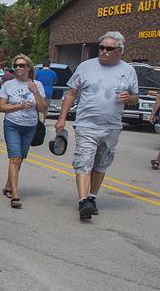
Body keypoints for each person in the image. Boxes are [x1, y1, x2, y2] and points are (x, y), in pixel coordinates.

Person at [55, 31, 138, 220]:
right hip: (86, 124)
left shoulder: (128, 70)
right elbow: (71, 94)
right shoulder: (85, 67)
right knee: (84, 161)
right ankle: (83, 201)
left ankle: (92, 197)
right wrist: (62, 118)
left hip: (112, 126)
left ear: (120, 51)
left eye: (109, 48)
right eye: (101, 47)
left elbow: (135, 98)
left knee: (101, 164)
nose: (104, 51)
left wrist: (129, 97)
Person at [0, 54, 47, 209]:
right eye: (16, 65)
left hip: (30, 126)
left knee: (19, 159)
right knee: (15, 158)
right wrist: (19, 106)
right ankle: (15, 194)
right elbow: (1, 107)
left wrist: (35, 92)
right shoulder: (8, 85)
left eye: (22, 65)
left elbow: (43, 109)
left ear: (29, 68)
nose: (18, 68)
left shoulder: (37, 84)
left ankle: (7, 185)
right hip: (12, 125)